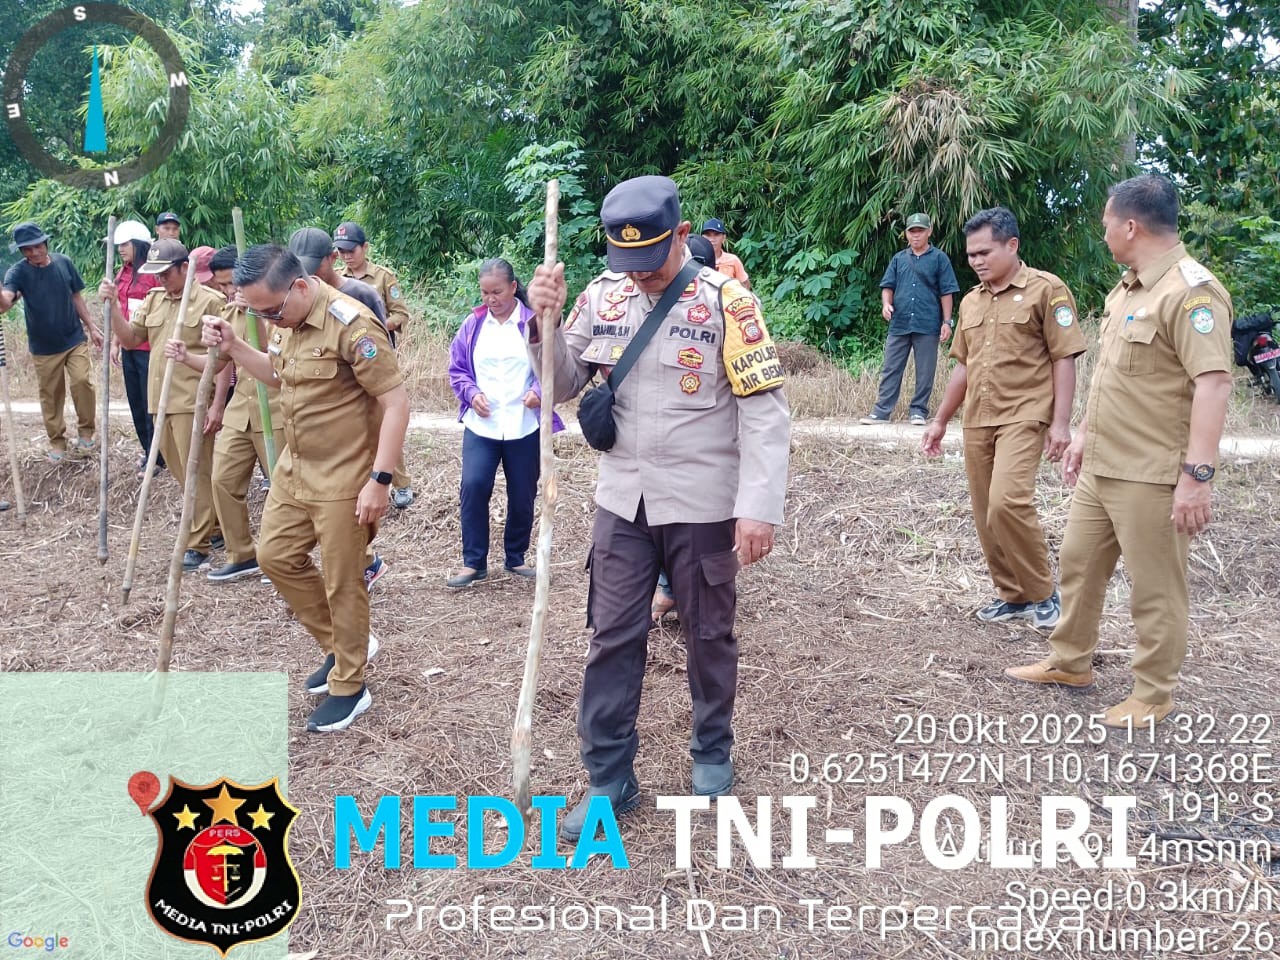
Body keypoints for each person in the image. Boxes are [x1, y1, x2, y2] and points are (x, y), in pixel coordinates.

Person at [527, 175, 790, 841]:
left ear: (679, 236)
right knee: (612, 636)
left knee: (708, 635)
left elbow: (764, 413)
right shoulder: (602, 294)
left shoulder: (729, 302)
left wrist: (757, 508)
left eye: (652, 263)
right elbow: (559, 384)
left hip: (704, 504)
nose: (640, 279)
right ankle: (609, 775)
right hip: (623, 501)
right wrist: (543, 323)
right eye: (629, 265)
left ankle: (711, 752)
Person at [1006, 174, 1234, 727]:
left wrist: (1196, 477)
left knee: (1155, 587)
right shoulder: (1128, 288)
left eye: (1106, 223)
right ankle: (1070, 660)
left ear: (1130, 225)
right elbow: (1112, 377)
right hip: (1105, 463)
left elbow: (1215, 383)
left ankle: (1153, 692)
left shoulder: (1191, 292)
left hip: (1152, 472)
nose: (1103, 232)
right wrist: (1083, 434)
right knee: (1080, 564)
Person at [200, 245, 409, 733]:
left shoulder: (352, 324)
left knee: (343, 581)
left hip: (345, 477)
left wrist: (380, 480)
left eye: (271, 309)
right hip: (295, 471)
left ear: (299, 286)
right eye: (258, 312)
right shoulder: (284, 319)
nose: (268, 319)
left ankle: (349, 685)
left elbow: (396, 404)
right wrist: (233, 344)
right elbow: (278, 375)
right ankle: (343, 645)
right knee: (274, 556)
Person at [921, 207, 1085, 630]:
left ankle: (1045, 593)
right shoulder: (972, 301)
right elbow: (964, 366)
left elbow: (1063, 356)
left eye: (984, 252)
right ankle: (1012, 595)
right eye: (971, 254)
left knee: (1007, 502)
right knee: (985, 513)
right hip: (979, 417)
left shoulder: (1046, 290)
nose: (976, 261)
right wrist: (940, 420)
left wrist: (1061, 423)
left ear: (1012, 245)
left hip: (1025, 414)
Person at [100, 238, 224, 570]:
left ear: (186, 268)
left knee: (197, 470)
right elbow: (130, 339)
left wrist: (216, 404)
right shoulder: (154, 300)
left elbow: (224, 358)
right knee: (183, 474)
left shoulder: (210, 302)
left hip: (190, 401)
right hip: (161, 400)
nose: (160, 280)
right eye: (155, 273)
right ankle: (213, 527)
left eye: (166, 273)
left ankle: (197, 542)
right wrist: (112, 307)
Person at [164, 246, 282, 584]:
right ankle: (242, 554)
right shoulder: (230, 313)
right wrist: (187, 356)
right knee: (222, 480)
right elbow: (218, 363)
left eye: (233, 284)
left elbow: (272, 358)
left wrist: (257, 315)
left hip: (272, 410)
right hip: (240, 412)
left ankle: (282, 558)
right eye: (224, 285)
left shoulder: (275, 310)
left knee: (282, 487)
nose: (229, 291)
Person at [446, 258, 563, 588]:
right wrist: (471, 394)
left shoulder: (533, 323)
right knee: (473, 485)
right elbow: (457, 369)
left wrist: (538, 391)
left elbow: (554, 363)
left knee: (522, 492)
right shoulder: (473, 324)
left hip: (523, 424)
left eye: (497, 291)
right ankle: (473, 562)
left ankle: (516, 557)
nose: (490, 299)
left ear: (513, 288)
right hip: (482, 424)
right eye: (484, 292)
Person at [288, 227, 391, 591]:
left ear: (330, 259)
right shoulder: (297, 300)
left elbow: (381, 352)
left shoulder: (358, 296)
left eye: (314, 266)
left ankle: (359, 566)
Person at [650, 234, 719, 622]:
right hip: (650, 461)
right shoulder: (628, 301)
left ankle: (681, 591)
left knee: (690, 533)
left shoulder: (724, 305)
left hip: (699, 466)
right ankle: (669, 587)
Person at [0, 222, 102, 462]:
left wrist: (91, 326)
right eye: (27, 249)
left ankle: (86, 432)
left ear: (46, 243)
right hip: (44, 348)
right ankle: (57, 441)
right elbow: (5, 303)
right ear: (22, 252)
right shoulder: (18, 272)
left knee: (82, 382)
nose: (34, 252)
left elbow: (76, 295)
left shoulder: (63, 262)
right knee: (51, 396)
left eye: (37, 246)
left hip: (74, 338)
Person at [333, 221, 415, 510]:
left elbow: (401, 314)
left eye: (351, 250)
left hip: (377, 358)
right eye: (340, 251)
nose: (346, 256)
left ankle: (401, 484)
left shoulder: (382, 277)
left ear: (365, 247)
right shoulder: (334, 279)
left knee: (388, 418)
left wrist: (376, 327)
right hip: (345, 360)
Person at [861, 212, 961, 425]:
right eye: (912, 231)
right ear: (906, 233)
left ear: (929, 232)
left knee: (925, 370)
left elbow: (947, 292)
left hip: (928, 322)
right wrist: (886, 304)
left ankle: (918, 411)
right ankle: (881, 412)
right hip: (900, 322)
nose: (916, 235)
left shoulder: (939, 258)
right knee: (890, 367)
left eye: (920, 231)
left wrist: (947, 322)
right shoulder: (898, 259)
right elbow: (888, 286)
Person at [106, 221, 162, 471]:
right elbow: (123, 312)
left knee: (152, 405)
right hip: (130, 348)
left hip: (150, 348)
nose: (120, 249)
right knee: (136, 402)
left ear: (138, 245)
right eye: (118, 245)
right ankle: (148, 451)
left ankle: (159, 456)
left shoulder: (154, 274)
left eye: (125, 244)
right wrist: (116, 342)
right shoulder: (122, 274)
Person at [699, 218, 751, 290]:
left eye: (716, 235)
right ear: (702, 238)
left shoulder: (733, 260)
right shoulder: (696, 260)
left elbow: (745, 284)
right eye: (708, 235)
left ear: (724, 238)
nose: (712, 239)